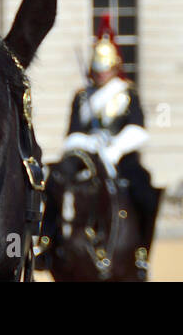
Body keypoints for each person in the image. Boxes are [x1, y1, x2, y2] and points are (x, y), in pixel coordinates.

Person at [58, 16, 161, 265]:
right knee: (56, 182)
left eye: (105, 69)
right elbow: (72, 133)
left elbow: (138, 129)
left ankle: (141, 252)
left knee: (146, 193)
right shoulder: (82, 97)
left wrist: (114, 148)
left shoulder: (127, 93)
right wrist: (90, 144)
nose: (101, 74)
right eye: (97, 69)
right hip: (87, 156)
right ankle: (51, 245)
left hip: (121, 157)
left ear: (114, 67)